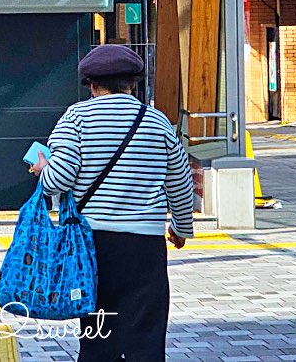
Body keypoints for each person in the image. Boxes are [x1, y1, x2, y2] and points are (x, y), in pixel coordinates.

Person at [30, 44, 194, 361]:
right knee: (145, 337)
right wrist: (181, 227)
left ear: (91, 84)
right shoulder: (156, 121)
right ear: (133, 83)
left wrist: (42, 170)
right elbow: (179, 180)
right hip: (144, 246)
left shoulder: (76, 117)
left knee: (97, 337)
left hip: (91, 244)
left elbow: (58, 181)